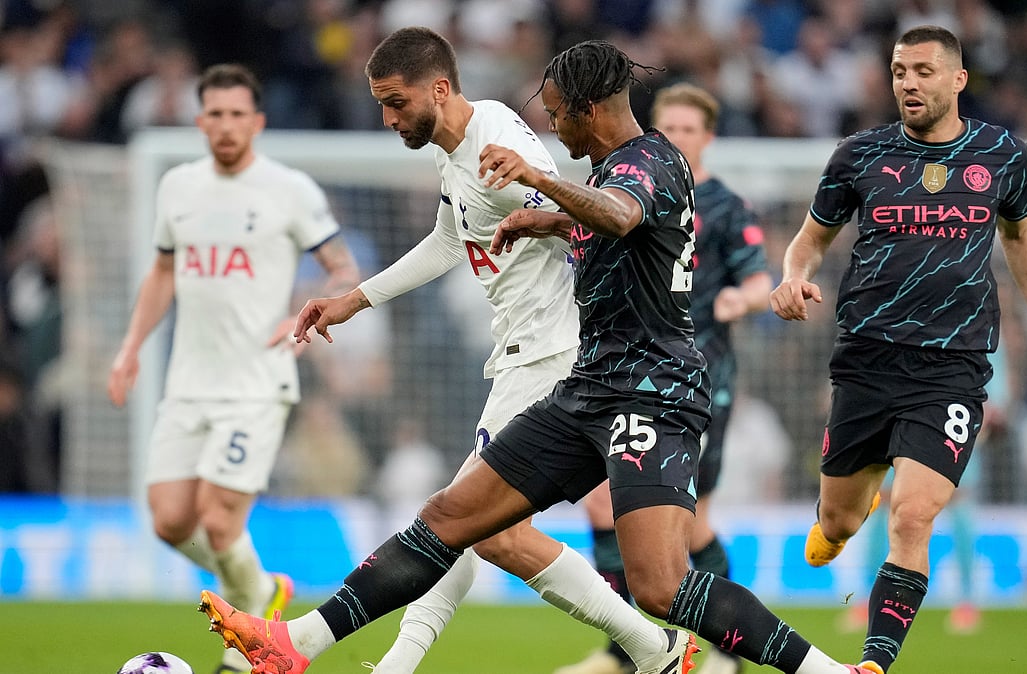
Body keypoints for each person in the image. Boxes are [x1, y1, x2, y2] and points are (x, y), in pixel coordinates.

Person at [199, 39, 874, 674]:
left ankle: (799, 667)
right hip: (589, 388)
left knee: (662, 586)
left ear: (590, 110)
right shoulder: (607, 167)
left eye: (558, 117)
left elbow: (618, 215)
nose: (555, 134)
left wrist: (538, 187)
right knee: (453, 517)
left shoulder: (647, 163)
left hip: (650, 390)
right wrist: (546, 219)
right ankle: (296, 645)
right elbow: (599, 224)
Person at [263, 26, 700, 674]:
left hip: (552, 350)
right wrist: (354, 299)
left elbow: (577, 211)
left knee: (466, 520)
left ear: (438, 89)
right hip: (518, 351)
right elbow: (447, 241)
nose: (386, 118)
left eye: (395, 102)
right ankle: (651, 647)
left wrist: (549, 206)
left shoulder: (496, 136)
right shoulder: (455, 153)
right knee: (474, 525)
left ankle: (354, 655)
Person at [769, 25, 1027, 674]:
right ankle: (837, 522)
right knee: (841, 520)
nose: (908, 83)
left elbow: (1020, 238)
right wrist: (792, 275)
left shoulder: (1002, 155)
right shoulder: (859, 155)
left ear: (958, 80)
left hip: (953, 367)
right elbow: (810, 240)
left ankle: (875, 661)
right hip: (867, 357)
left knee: (914, 517)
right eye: (898, 71)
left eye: (922, 71)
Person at [107, 63, 361, 674]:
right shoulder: (178, 188)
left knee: (221, 520)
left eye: (236, 114)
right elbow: (163, 272)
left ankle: (249, 632)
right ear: (200, 122)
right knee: (170, 521)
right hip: (188, 382)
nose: (225, 125)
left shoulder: (289, 189)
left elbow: (344, 269)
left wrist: (309, 314)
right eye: (214, 115)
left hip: (257, 381)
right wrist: (131, 346)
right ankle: (263, 591)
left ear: (257, 122)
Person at [558, 82, 773, 674]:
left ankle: (729, 652)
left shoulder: (726, 207)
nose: (676, 138)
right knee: (603, 506)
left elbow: (759, 278)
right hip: (626, 375)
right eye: (668, 128)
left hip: (695, 380)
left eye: (688, 130)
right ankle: (625, 649)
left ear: (707, 137)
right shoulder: (624, 190)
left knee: (691, 522)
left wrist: (740, 300)